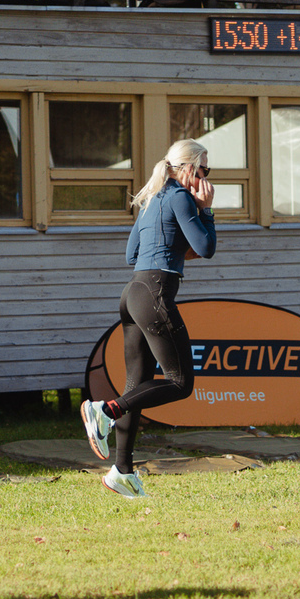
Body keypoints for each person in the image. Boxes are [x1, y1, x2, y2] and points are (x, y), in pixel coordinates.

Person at [80, 139, 216, 499]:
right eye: (204, 170)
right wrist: (206, 211)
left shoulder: (154, 198)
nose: (206, 178)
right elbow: (206, 247)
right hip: (155, 294)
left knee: (136, 386)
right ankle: (104, 411)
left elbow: (132, 254)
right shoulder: (182, 197)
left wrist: (175, 246)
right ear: (188, 168)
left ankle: (122, 472)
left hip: (132, 294)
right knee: (180, 382)